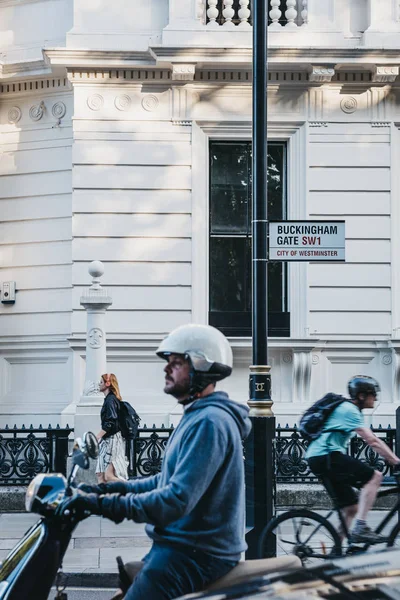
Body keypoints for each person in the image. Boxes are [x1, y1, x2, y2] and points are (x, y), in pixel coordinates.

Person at [67, 324, 251, 600]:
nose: (167, 369)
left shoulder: (210, 422)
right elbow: (166, 479)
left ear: (202, 369)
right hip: (179, 544)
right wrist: (109, 490)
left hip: (196, 553)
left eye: (176, 363)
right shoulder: (196, 416)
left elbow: (176, 499)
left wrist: (102, 505)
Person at [306, 375, 400, 544]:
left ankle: (336, 550)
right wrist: (396, 461)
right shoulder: (349, 410)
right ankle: (361, 528)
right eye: (373, 394)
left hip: (319, 457)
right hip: (326, 455)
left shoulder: (347, 409)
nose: (376, 398)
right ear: (361, 396)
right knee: (375, 477)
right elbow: (372, 441)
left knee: (350, 508)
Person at [96, 373, 128, 484]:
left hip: (112, 440)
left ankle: (130, 487)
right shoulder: (108, 400)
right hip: (106, 440)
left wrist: (97, 436)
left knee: (109, 476)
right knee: (100, 474)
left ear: (108, 383)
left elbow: (110, 422)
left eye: (101, 382)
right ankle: (103, 499)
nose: (99, 384)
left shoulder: (111, 400)